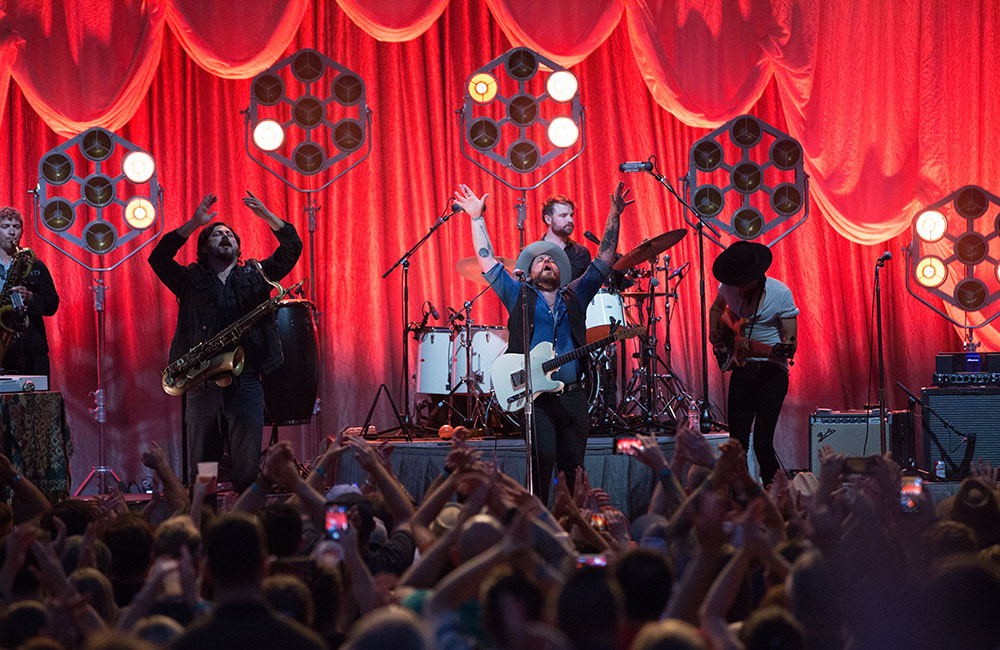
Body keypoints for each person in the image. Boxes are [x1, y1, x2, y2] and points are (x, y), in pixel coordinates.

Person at [453, 182, 632, 502]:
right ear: (529, 271)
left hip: (574, 398)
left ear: (560, 270)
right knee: (542, 460)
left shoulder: (575, 294)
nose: (547, 261)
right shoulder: (518, 295)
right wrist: (476, 219)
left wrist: (614, 215)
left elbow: (604, 260)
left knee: (574, 470)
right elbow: (487, 262)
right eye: (540, 260)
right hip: (537, 400)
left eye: (552, 260)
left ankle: (573, 526)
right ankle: (537, 525)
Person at [148, 191, 302, 492]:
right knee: (204, 474)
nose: (225, 236)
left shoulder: (257, 275)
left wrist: (268, 217)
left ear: (237, 247)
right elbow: (159, 258)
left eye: (230, 234)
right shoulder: (189, 279)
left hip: (245, 384)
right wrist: (194, 223)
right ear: (204, 248)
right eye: (217, 234)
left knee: (246, 472)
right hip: (201, 385)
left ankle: (244, 531)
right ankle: (203, 528)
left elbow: (292, 247)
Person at [708, 241, 798, 485]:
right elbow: (717, 307)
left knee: (762, 443)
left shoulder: (780, 294)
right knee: (736, 444)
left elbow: (791, 343)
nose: (739, 288)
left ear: (757, 277)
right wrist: (713, 330)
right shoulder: (728, 287)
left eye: (744, 282)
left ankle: (777, 499)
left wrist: (786, 345)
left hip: (771, 373)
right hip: (742, 370)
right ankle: (739, 498)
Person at [0, 206, 59, 376]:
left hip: (30, 349)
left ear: (22, 231)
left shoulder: (35, 264)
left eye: (16, 227)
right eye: (5, 226)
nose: (12, 232)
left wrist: (31, 297)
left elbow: (52, 304)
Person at [540, 195, 591, 281]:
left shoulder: (581, 253)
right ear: (548, 219)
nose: (570, 220)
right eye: (563, 215)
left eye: (571, 215)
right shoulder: (532, 252)